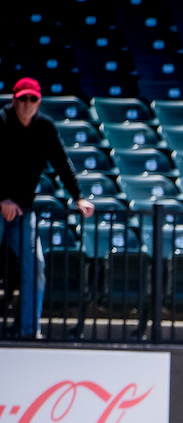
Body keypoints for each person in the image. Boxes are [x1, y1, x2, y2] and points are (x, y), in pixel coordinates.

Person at [1, 77, 95, 338]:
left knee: (35, 267)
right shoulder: (1, 122)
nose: (27, 104)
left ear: (39, 102)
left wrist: (78, 196)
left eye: (33, 99)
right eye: (23, 98)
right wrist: (3, 199)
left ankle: (29, 331)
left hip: (23, 211)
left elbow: (62, 163)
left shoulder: (45, 128)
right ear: (14, 100)